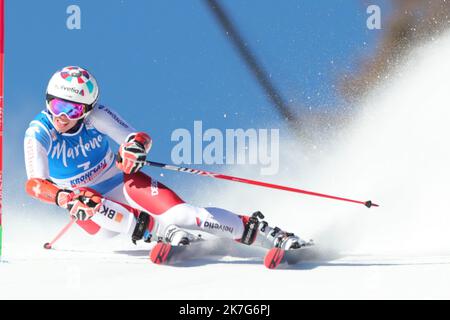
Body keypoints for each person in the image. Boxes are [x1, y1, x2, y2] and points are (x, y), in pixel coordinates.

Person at [24, 66, 306, 252]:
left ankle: (269, 234)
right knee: (87, 201)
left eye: (72, 110)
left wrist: (134, 151)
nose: (62, 116)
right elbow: (34, 184)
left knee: (183, 215)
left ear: (86, 110)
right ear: (47, 100)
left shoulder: (97, 117)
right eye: (57, 105)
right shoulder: (39, 132)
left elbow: (137, 137)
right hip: (89, 210)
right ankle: (159, 232)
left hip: (121, 182)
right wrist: (63, 198)